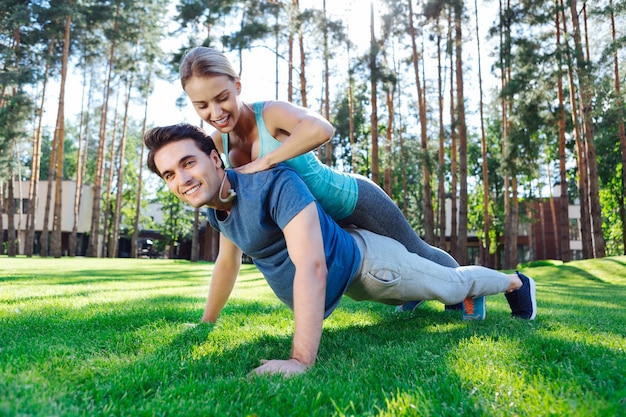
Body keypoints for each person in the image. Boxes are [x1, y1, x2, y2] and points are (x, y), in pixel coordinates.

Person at [144, 123, 538, 377]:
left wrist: (300, 360)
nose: (182, 179)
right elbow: (226, 265)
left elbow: (312, 265)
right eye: (170, 174)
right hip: (353, 282)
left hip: (372, 264)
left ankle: (514, 284)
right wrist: (206, 324)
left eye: (188, 163)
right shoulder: (218, 210)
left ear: (215, 158)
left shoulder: (271, 183)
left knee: (453, 286)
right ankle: (425, 297)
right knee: (417, 293)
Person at [178, 46, 473, 315]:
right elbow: (228, 257)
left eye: (222, 98)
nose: (215, 112)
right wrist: (207, 322)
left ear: (237, 86)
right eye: (202, 105)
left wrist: (266, 160)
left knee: (415, 250)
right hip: (321, 223)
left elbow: (321, 128)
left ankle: (469, 294)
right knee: (381, 271)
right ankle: (416, 294)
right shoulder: (218, 145)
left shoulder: (269, 114)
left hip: (352, 201)